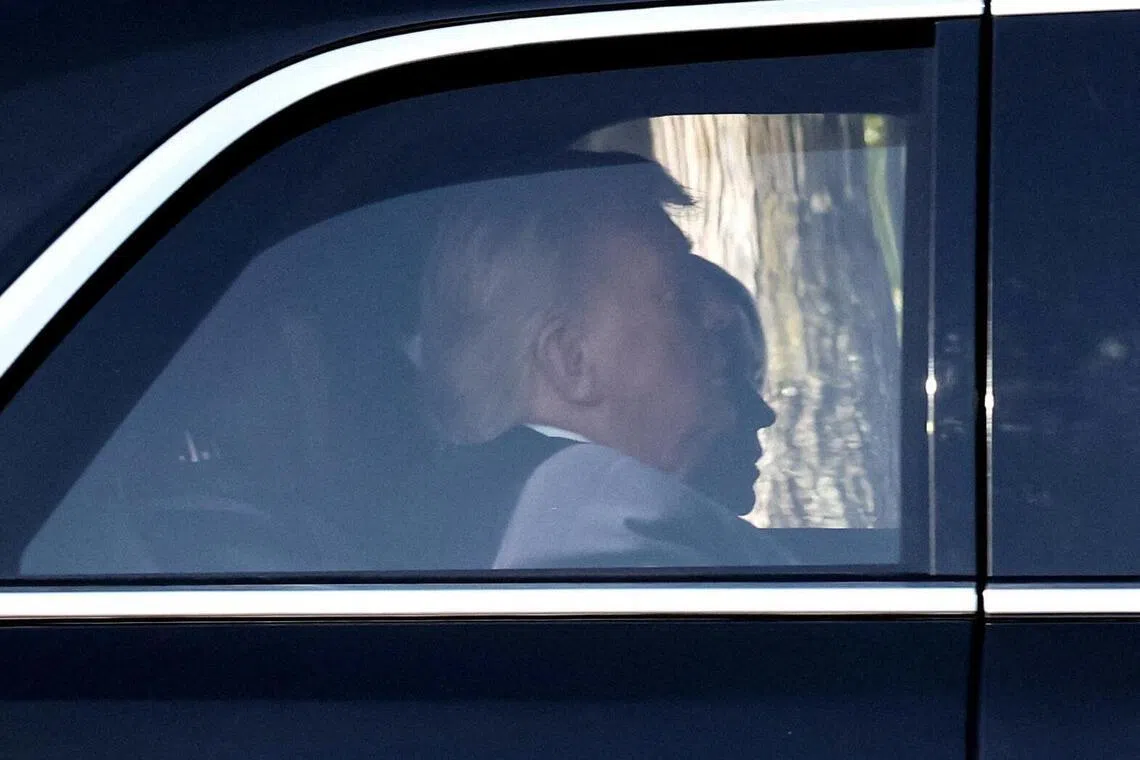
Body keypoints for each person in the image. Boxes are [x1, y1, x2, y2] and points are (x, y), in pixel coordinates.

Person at [415, 152, 795, 569]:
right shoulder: (610, 515)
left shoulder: (455, 515)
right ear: (572, 361)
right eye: (678, 296)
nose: (718, 315)